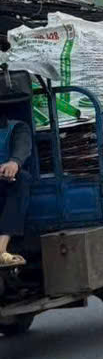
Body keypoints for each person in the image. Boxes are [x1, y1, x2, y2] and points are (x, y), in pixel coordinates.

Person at [0, 106, 33, 268]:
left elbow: (21, 148)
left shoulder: (17, 128)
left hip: (6, 183)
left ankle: (1, 248)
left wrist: (14, 162)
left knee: (22, 179)